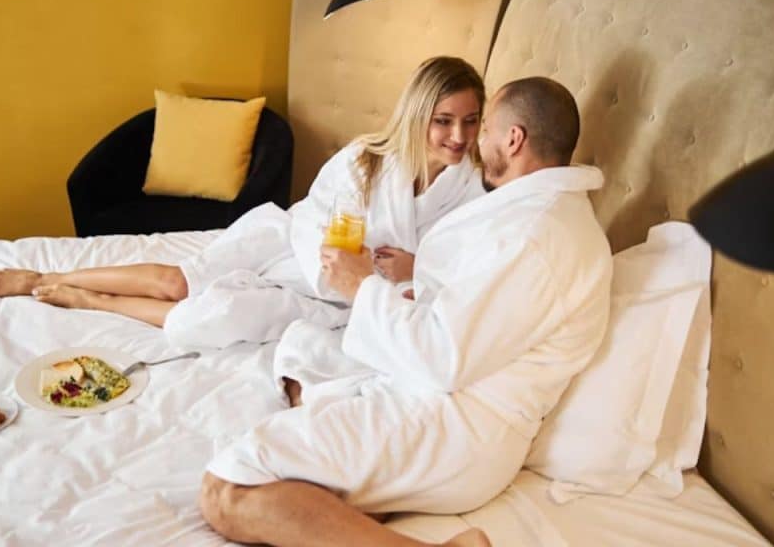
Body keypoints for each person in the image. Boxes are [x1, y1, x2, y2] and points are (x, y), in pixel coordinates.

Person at [197, 77, 614, 547]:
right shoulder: (537, 217)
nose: (475, 140)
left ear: (513, 139)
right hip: (448, 410)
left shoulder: (535, 235)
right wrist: (413, 294)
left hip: (455, 427)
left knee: (227, 486)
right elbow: (475, 316)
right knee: (302, 375)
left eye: (486, 127)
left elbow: (444, 356)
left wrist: (363, 285)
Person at [0, 56, 487, 349]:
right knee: (176, 282)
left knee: (202, 320)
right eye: (444, 120)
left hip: (326, 300)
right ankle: (44, 279)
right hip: (290, 246)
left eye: (470, 120)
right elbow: (317, 219)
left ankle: (91, 301)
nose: (458, 136)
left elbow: (461, 274)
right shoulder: (367, 159)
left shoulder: (471, 192)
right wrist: (342, 266)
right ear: (418, 114)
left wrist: (412, 270)